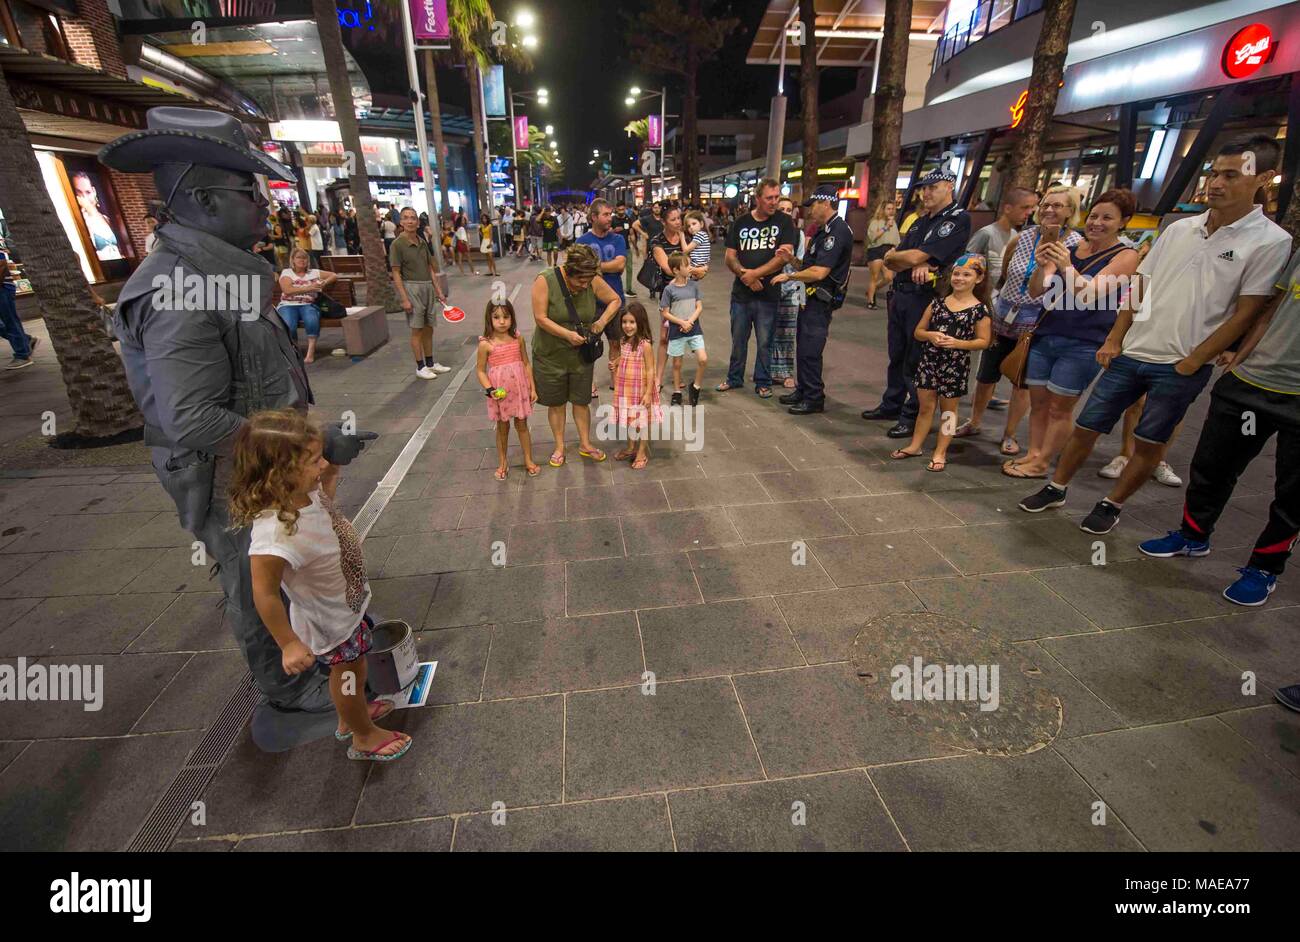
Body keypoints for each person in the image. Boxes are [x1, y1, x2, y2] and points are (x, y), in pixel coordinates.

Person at [101, 107, 380, 747]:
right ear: (199, 199)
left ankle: (311, 663)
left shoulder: (219, 273)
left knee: (283, 568)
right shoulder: (179, 287)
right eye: (247, 191)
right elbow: (191, 416)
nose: (264, 205)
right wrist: (308, 444)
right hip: (226, 472)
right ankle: (288, 691)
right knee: (253, 574)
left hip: (263, 461)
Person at [1018, 135, 1292, 534]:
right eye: (1214, 173)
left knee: (1150, 441)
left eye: (1231, 175)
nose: (1217, 183)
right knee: (1088, 425)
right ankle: (1057, 486)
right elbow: (1141, 285)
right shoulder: (1181, 228)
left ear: (1264, 178)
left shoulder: (1271, 240)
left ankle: (1112, 504)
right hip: (1132, 351)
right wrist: (1116, 338)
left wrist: (1195, 360)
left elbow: (1247, 312)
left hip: (1180, 362)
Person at [236, 410, 410, 762]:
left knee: (356, 669)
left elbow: (326, 506)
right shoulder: (274, 534)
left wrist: (331, 470)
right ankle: (363, 735)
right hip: (328, 622)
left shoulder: (303, 494)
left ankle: (352, 715)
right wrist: (288, 644)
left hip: (344, 605)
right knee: (348, 673)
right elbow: (264, 593)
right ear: (279, 472)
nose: (321, 466)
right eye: (313, 461)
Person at [1137, 241, 1300, 605]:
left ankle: (1265, 568)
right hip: (1252, 385)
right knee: (1213, 466)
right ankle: (1193, 536)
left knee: (1292, 495)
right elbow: (1270, 311)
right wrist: (1240, 363)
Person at [1002, 189, 1140, 479]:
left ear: (1123, 222)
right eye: (1094, 216)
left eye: (1107, 218)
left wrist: (1065, 265)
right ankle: (1033, 454)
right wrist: (1042, 267)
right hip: (1046, 332)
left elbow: (1089, 294)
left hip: (1083, 342)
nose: (1097, 223)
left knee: (1060, 408)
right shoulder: (1071, 247)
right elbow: (1037, 290)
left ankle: (1043, 462)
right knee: (1038, 403)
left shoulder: (1125, 256)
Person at [952, 184, 1081, 454]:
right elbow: (1004, 276)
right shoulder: (1022, 237)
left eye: (1057, 205)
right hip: (1002, 317)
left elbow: (1066, 287)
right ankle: (974, 421)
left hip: (1034, 324)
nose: (1048, 209)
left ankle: (1010, 434)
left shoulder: (1074, 245)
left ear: (1071, 211)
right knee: (986, 374)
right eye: (1045, 204)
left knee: (1021, 381)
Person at [861, 170, 971, 436]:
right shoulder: (921, 222)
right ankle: (892, 404)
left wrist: (911, 258)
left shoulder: (956, 219)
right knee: (897, 355)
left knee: (916, 360)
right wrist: (900, 259)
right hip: (902, 295)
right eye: (924, 188)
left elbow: (911, 257)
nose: (926, 193)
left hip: (927, 297)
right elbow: (894, 256)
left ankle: (912, 416)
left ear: (949, 187)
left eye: (933, 187)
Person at [888, 254, 993, 471]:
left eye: (967, 274)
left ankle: (940, 451)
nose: (960, 278)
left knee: (948, 410)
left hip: (955, 365)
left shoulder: (980, 310)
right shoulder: (937, 303)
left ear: (979, 279)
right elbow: (918, 332)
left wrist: (957, 343)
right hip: (929, 362)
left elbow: (983, 341)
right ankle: (915, 445)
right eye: (956, 273)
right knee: (925, 407)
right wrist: (931, 336)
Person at [531, 244, 621, 466]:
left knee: (581, 400)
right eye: (580, 281)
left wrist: (600, 322)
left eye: (588, 281)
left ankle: (585, 444)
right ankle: (559, 446)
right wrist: (567, 335)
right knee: (557, 402)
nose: (584, 286)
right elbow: (540, 318)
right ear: (568, 271)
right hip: (550, 353)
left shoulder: (591, 280)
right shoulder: (545, 280)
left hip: (581, 355)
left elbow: (615, 300)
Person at [774, 184, 856, 415]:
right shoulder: (822, 230)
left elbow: (819, 273)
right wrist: (791, 259)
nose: (810, 211)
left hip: (820, 301)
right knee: (803, 346)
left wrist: (789, 275)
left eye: (814, 205)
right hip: (808, 298)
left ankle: (814, 397)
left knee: (811, 349)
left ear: (826, 203)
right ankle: (803, 390)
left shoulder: (837, 232)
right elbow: (808, 267)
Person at [717, 178, 796, 399]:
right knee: (738, 339)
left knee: (765, 342)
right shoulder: (741, 223)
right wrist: (745, 275)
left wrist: (756, 274)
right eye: (769, 198)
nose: (774, 202)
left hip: (768, 294)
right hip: (741, 294)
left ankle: (763, 381)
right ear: (758, 198)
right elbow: (729, 257)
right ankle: (734, 378)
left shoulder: (784, 222)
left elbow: (783, 257)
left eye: (777, 197)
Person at [476, 299, 539, 480]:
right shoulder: (485, 344)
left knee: (522, 425)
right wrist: (490, 389)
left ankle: (528, 459)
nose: (502, 321)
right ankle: (502, 461)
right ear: (489, 319)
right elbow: (480, 370)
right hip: (500, 394)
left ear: (512, 317)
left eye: (506, 316)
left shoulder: (518, 338)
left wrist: (532, 387)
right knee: (502, 428)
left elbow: (526, 363)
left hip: (519, 390)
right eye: (496, 317)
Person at [390, 206, 451, 379]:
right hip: (412, 288)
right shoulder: (397, 244)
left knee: (429, 327)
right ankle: (420, 366)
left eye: (413, 218)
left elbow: (429, 267)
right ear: (401, 222)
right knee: (416, 329)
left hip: (427, 288)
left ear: (417, 222)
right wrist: (404, 299)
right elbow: (395, 272)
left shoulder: (422, 241)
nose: (410, 221)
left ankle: (431, 363)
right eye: (406, 218)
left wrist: (439, 290)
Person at [576, 198, 628, 398]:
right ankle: (589, 383)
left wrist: (594, 267)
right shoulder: (582, 242)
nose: (610, 218)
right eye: (606, 214)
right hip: (589, 303)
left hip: (615, 301)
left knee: (617, 342)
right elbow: (577, 270)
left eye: (610, 214)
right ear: (594, 217)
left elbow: (620, 265)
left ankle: (616, 380)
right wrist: (607, 266)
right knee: (589, 344)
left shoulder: (618, 239)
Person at [612, 301, 661, 470]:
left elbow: (650, 369)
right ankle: (631, 447)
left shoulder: (645, 345)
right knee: (631, 419)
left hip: (641, 390)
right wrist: (617, 362)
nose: (627, 326)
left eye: (632, 322)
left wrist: (648, 393)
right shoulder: (623, 341)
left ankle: (641, 452)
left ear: (640, 322)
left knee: (642, 421)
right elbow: (626, 357)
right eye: (624, 322)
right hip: (626, 388)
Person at [648, 205, 692, 386]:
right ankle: (658, 377)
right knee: (665, 336)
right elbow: (668, 268)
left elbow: (695, 261)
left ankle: (676, 375)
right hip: (669, 295)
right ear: (663, 221)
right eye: (673, 219)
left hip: (687, 294)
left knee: (680, 335)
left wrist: (695, 269)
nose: (678, 222)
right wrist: (692, 270)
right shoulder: (657, 241)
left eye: (679, 218)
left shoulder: (686, 239)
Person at [277, 247, 338, 364]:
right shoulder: (287, 272)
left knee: (311, 319)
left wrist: (324, 283)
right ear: (293, 260)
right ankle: (294, 351)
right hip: (288, 304)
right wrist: (310, 287)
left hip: (308, 304)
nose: (302, 260)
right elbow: (287, 290)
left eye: (304, 258)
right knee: (289, 325)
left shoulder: (314, 272)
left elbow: (333, 275)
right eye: (299, 257)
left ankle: (310, 352)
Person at [967, 187, 1039, 287]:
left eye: (1031, 208)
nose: (1030, 212)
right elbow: (966, 265)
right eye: (1025, 207)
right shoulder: (986, 234)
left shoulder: (1015, 235)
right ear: (1008, 208)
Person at [660, 252, 706, 406]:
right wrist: (681, 322)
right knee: (677, 363)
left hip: (694, 329)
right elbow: (665, 312)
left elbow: (699, 307)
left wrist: (690, 322)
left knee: (703, 359)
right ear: (675, 270)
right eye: (686, 265)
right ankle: (677, 391)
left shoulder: (694, 285)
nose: (690, 267)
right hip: (676, 331)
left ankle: (696, 386)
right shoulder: (669, 290)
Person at [770, 195, 805, 388]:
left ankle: (787, 373)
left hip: (792, 288)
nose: (784, 212)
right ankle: (768, 370)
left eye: (788, 209)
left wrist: (790, 258)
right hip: (771, 287)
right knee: (769, 331)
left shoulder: (797, 235)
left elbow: (802, 266)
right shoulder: (770, 232)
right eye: (781, 209)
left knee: (788, 333)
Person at [0, 246, 37, 370]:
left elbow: (2, 263)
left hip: (2, 287)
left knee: (9, 320)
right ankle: (25, 340)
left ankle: (23, 355)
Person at [864, 199, 900, 309]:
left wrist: (895, 249)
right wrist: (885, 227)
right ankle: (870, 302)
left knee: (889, 277)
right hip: (876, 249)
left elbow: (896, 239)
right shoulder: (875, 222)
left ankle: (872, 290)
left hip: (888, 250)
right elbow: (873, 237)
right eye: (888, 209)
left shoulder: (893, 223)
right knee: (874, 277)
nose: (891, 211)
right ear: (883, 210)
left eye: (893, 209)